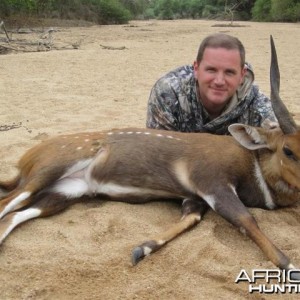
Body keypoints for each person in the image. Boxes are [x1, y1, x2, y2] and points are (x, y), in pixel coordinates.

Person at [146, 33, 278, 134]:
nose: (219, 81)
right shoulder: (167, 93)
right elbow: (159, 152)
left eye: (229, 72)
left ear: (242, 75)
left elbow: (280, 143)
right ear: (196, 69)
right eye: (211, 70)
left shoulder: (260, 107)